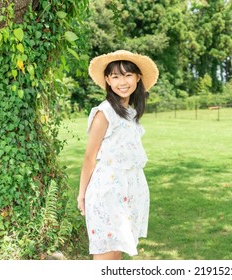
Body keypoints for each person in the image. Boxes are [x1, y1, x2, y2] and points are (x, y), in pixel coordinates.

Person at [77, 50, 158, 260]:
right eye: (116, 76)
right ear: (107, 80)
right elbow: (89, 157)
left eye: (128, 75)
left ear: (138, 77)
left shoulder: (130, 113)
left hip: (127, 193)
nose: (123, 81)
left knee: (116, 257)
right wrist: (82, 194)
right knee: (105, 257)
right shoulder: (104, 113)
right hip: (107, 193)